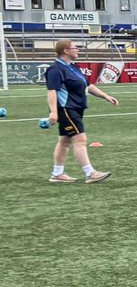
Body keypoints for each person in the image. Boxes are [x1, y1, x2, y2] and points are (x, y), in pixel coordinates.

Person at [45, 39, 120, 183]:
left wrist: (105, 96)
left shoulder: (74, 67)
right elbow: (52, 92)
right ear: (66, 51)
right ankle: (90, 173)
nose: (77, 50)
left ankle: (57, 174)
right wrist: (53, 112)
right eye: (75, 47)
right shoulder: (55, 69)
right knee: (80, 139)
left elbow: (88, 86)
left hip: (77, 108)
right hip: (66, 109)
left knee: (65, 141)